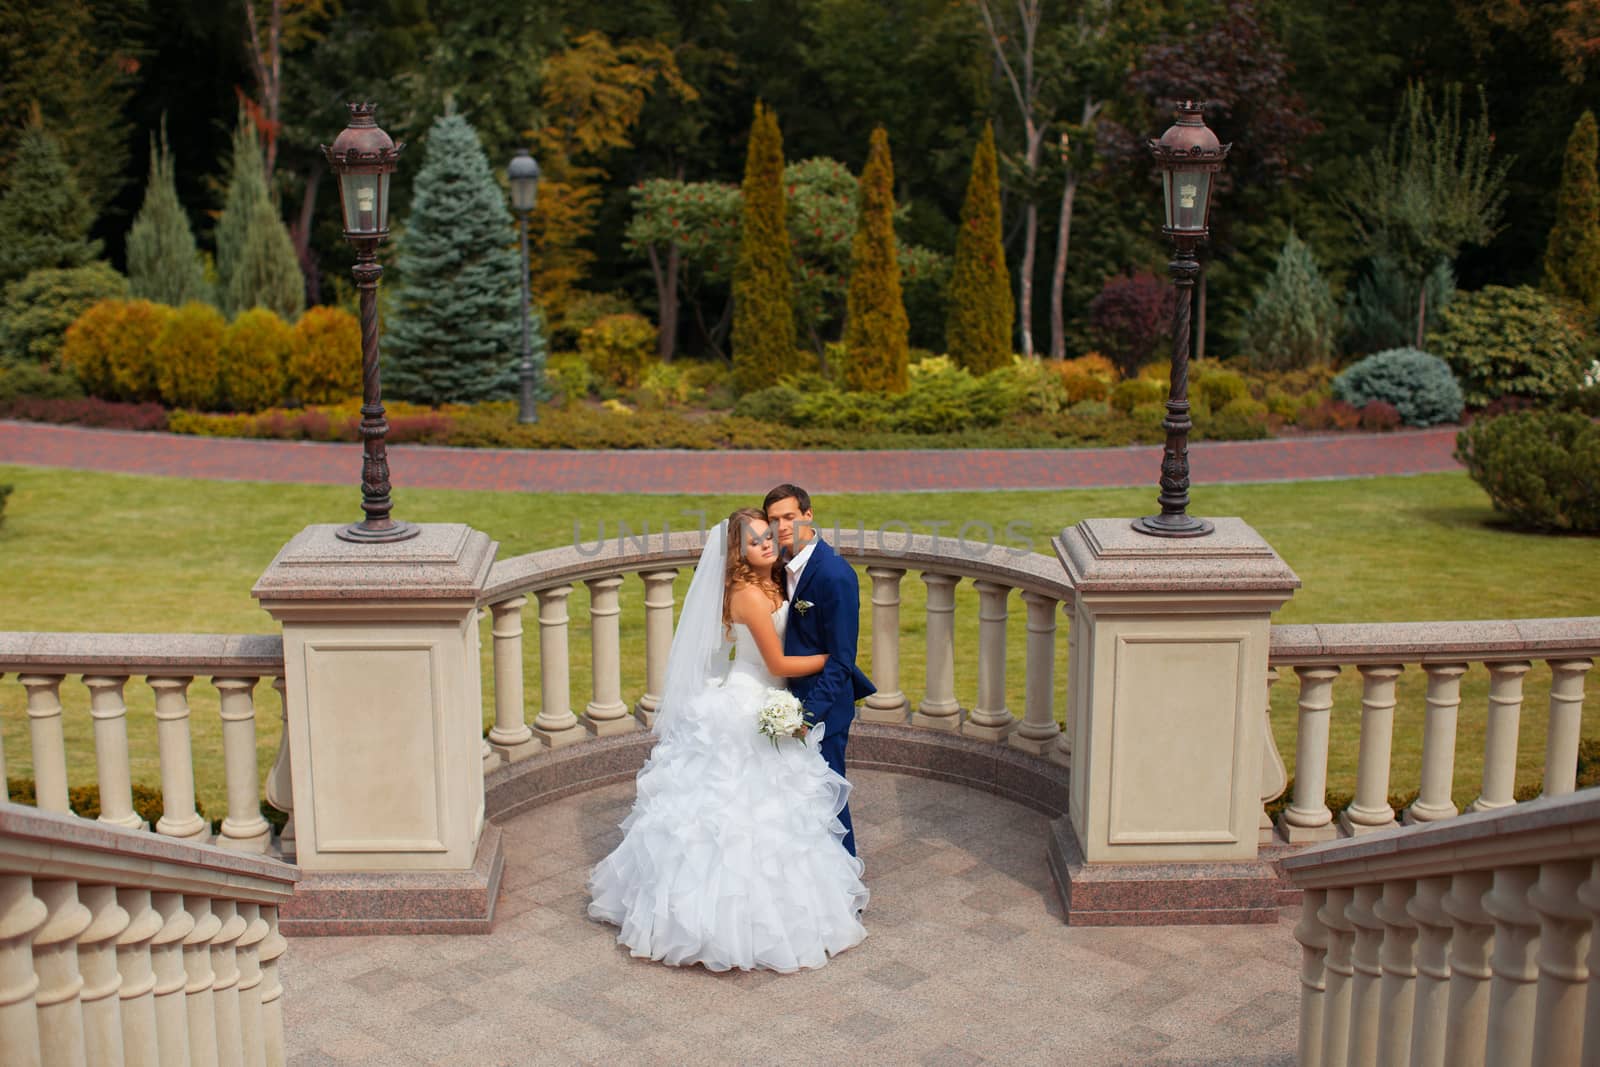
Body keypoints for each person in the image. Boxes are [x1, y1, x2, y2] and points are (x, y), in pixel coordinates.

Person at [586, 507, 868, 973]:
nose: (767, 544)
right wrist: (832, 659)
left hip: (772, 700)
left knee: (785, 815)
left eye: (768, 537)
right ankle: (719, 922)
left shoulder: (775, 581)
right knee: (732, 815)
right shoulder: (747, 596)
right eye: (755, 540)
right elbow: (776, 664)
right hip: (750, 700)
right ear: (737, 550)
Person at [764, 483, 876, 856]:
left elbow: (841, 658)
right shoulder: (777, 566)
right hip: (783, 700)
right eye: (773, 519)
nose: (781, 527)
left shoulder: (835, 575)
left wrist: (809, 717)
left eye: (789, 517)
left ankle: (847, 885)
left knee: (827, 795)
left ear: (808, 516)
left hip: (823, 707)